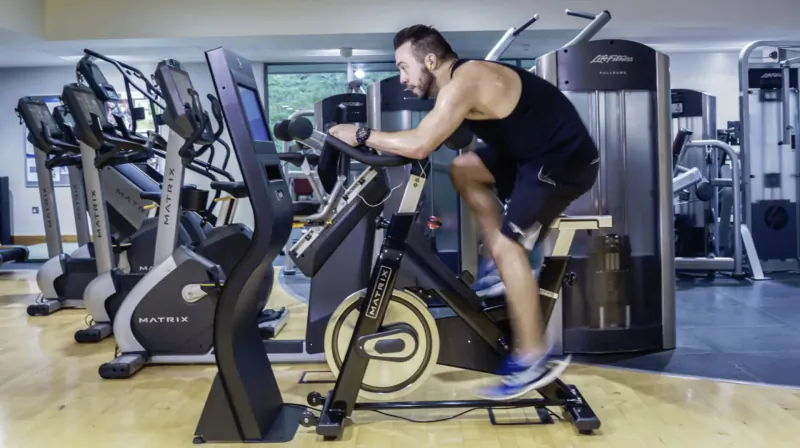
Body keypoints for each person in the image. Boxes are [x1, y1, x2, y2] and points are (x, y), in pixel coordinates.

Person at [328, 25, 599, 401]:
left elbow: (421, 144)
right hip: (528, 156)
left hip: (563, 161)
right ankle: (499, 270)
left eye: (404, 68)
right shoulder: (457, 84)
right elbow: (451, 138)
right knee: (464, 169)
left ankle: (533, 356)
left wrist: (359, 134)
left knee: (511, 248)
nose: (402, 79)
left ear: (430, 60)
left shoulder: (464, 82)